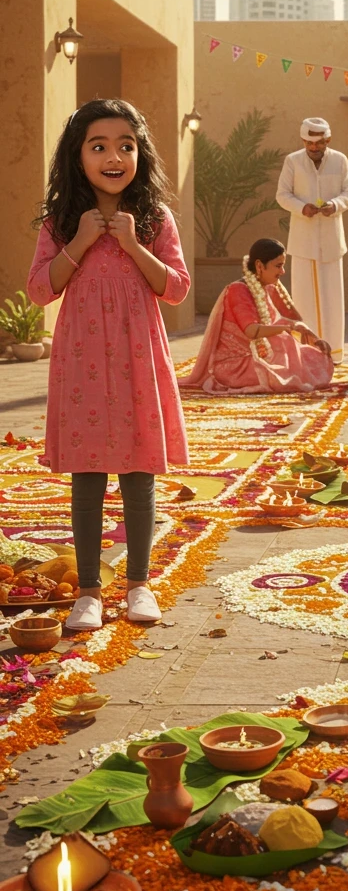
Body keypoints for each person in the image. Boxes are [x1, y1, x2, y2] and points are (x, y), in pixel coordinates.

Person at [26, 99, 191, 632]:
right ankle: (90, 594)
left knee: (139, 473)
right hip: (82, 364)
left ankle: (140, 585)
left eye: (127, 145)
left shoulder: (154, 218)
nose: (114, 156)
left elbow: (177, 288)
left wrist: (131, 243)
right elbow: (38, 291)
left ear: (140, 153)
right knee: (89, 474)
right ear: (78, 156)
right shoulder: (60, 221)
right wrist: (81, 240)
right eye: (99, 146)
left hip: (139, 356)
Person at [179, 238, 333, 394]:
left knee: (311, 356)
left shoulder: (264, 287)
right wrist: (287, 328)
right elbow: (252, 331)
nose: (282, 272)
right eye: (278, 266)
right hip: (234, 366)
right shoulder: (237, 290)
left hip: (257, 356)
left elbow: (275, 321)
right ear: (259, 266)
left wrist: (312, 337)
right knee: (288, 366)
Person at [276, 117, 348, 363]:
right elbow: (282, 195)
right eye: (308, 143)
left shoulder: (340, 160)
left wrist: (335, 205)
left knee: (332, 299)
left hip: (331, 242)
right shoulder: (293, 161)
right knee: (304, 299)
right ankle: (306, 352)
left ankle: (333, 353)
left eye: (317, 143)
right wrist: (302, 208)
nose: (313, 147)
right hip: (303, 242)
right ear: (303, 141)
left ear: (327, 140)